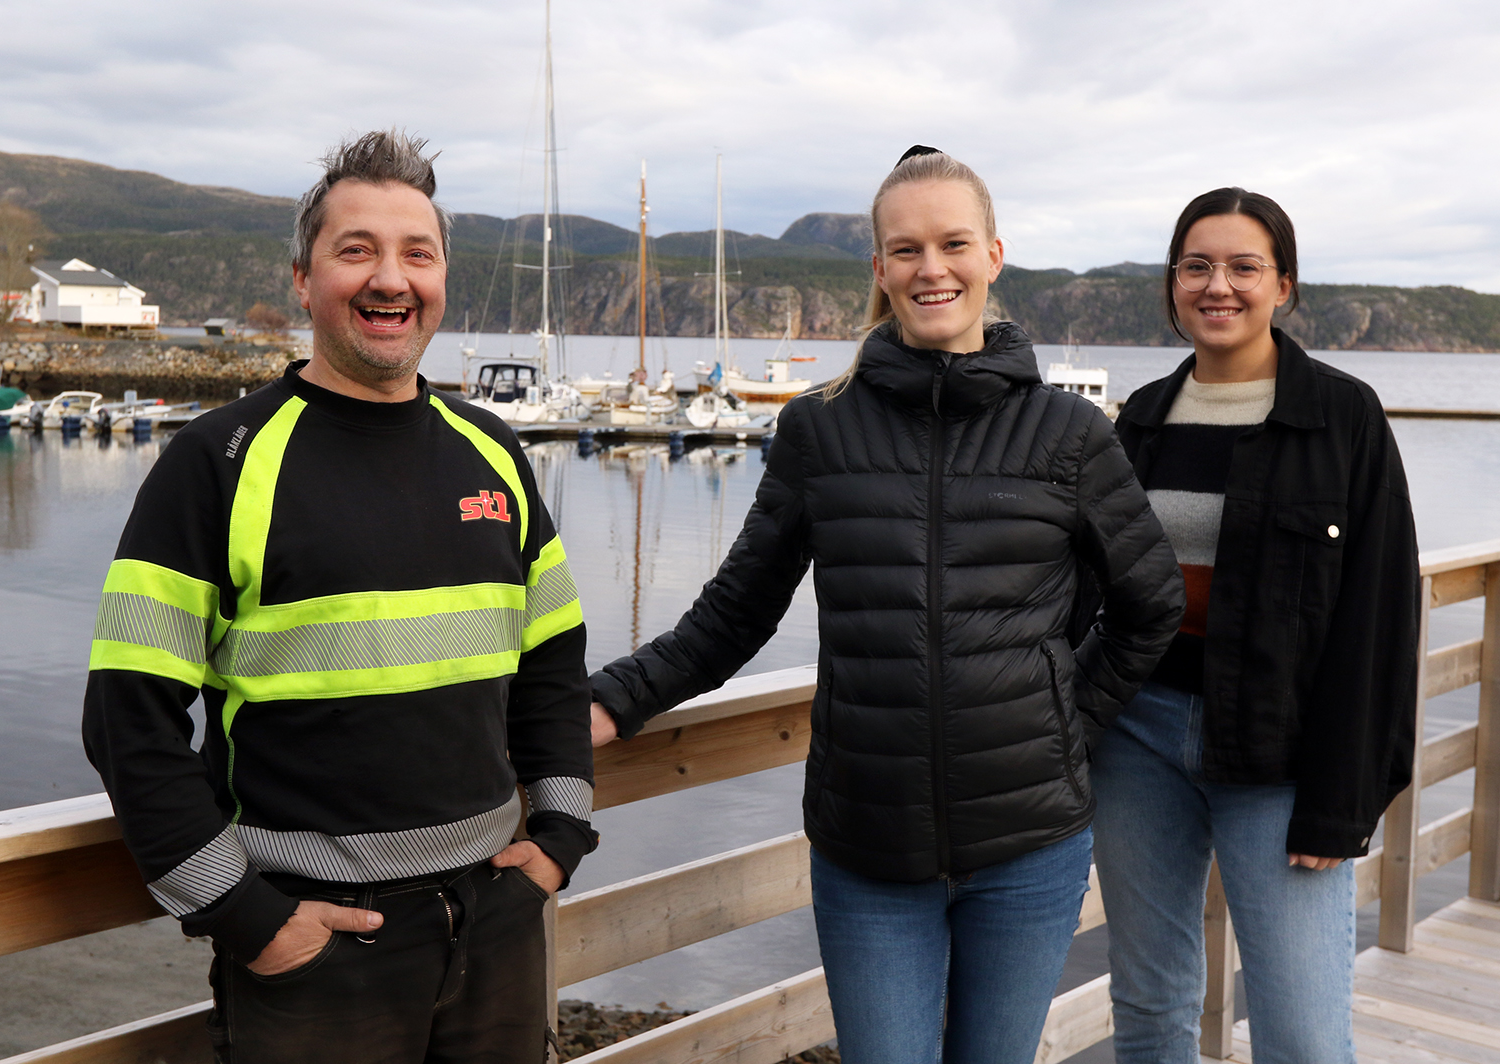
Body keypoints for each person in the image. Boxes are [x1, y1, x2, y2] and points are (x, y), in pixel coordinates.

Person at [587, 147, 1185, 1064]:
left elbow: (1151, 604)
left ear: (993, 254)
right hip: (867, 846)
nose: (930, 268)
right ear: (878, 269)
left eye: (953, 244)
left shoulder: (1069, 434)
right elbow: (736, 612)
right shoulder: (821, 430)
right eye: (905, 249)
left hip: (1030, 847)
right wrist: (612, 698)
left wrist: (1066, 716)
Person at [81, 131, 596, 1064]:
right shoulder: (218, 463)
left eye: (417, 253)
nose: (388, 279)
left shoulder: (496, 454)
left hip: (498, 924)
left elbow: (554, 664)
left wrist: (560, 837)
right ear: (303, 279)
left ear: (442, 277)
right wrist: (244, 916)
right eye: (355, 250)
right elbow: (128, 720)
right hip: (316, 949)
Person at [1093, 188, 1420, 1063]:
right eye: (1197, 266)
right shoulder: (1140, 421)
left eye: (1244, 267)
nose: (1218, 286)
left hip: (1282, 755)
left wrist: (1342, 803)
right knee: (1151, 1006)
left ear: (1284, 286)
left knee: (1304, 1032)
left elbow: (1379, 617)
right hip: (1138, 741)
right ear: (1173, 285)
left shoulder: (1343, 417)